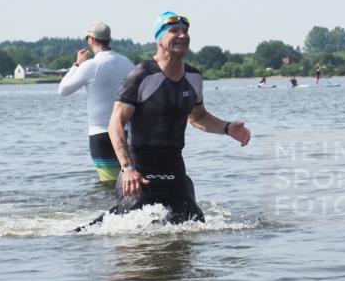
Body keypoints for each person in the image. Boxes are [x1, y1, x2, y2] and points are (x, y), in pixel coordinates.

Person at [107, 11, 251, 224]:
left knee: (195, 226)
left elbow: (198, 116)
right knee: (131, 232)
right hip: (140, 171)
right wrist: (127, 168)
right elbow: (116, 123)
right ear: (159, 39)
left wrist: (227, 127)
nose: (182, 35)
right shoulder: (141, 75)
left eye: (185, 31)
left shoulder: (194, 77)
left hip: (174, 168)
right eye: (174, 31)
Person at [58, 21, 135, 183]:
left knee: (109, 183)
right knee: (129, 182)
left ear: (91, 40)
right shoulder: (127, 62)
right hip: (126, 133)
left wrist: (76, 65)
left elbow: (63, 90)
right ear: (109, 39)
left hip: (100, 135)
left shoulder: (90, 65)